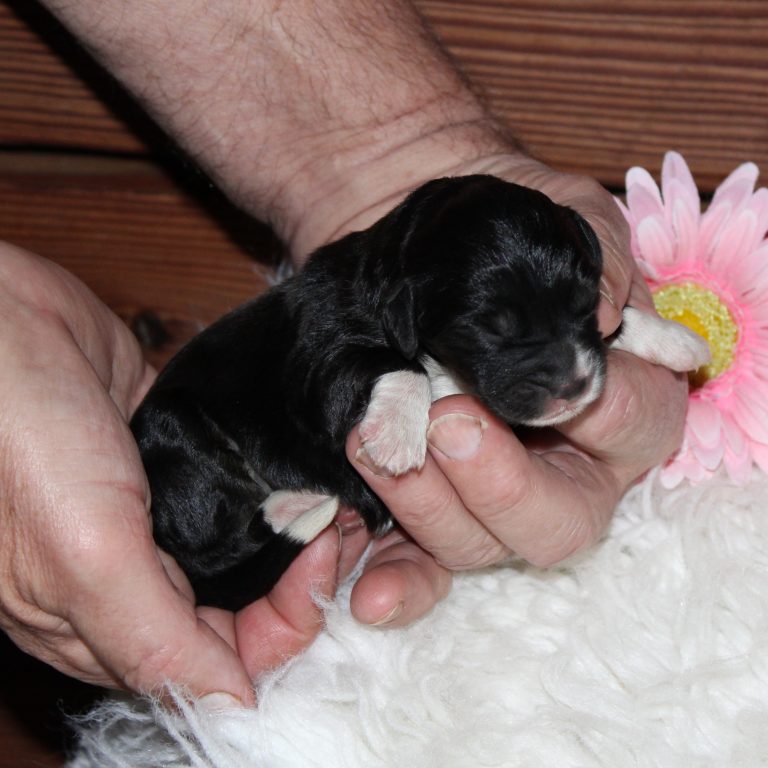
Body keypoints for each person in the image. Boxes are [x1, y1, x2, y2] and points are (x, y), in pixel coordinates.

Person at [0, 0, 687, 707]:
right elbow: (352, 374)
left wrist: (626, 326)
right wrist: (399, 389)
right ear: (411, 307)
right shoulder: (351, 304)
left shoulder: (441, 286)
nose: (575, 375)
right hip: (205, 453)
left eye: (579, 316)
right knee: (196, 467)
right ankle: (253, 541)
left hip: (309, 488)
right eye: (507, 333)